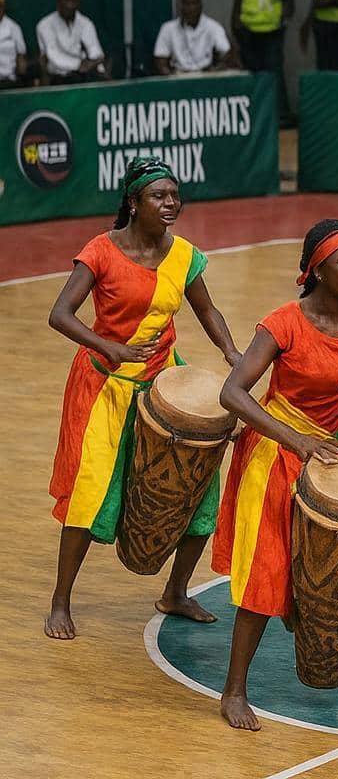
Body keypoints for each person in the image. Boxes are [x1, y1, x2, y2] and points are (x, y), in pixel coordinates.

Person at [213, 219, 338, 731]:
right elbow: (233, 393)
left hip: (331, 452)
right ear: (318, 271)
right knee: (268, 571)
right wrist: (297, 441)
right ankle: (234, 690)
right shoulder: (283, 323)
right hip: (275, 449)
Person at [45, 157, 243, 640]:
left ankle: (176, 592)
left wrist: (233, 352)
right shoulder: (101, 250)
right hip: (104, 387)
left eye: (175, 195)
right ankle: (60, 601)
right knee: (89, 494)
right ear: (134, 203)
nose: (171, 203)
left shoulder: (184, 255)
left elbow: (207, 309)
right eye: (159, 196)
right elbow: (60, 314)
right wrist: (109, 346)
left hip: (162, 384)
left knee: (199, 487)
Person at [230, 0, 293, 108]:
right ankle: (255, 111)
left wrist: (283, 18)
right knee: (253, 74)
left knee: (274, 74)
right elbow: (237, 3)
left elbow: (289, 2)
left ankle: (280, 113)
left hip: (272, 32)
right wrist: (236, 28)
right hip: (249, 33)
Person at [37, 0, 108, 84]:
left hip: (82, 77)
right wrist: (80, 65)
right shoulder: (45, 24)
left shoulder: (85, 23)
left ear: (79, 3)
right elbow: (54, 56)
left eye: (74, 1)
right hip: (56, 79)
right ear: (58, 0)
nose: (69, 5)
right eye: (66, 0)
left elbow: (95, 51)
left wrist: (97, 65)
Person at [153, 0, 234, 75]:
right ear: (181, 7)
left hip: (205, 75)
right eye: (186, 4)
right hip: (178, 75)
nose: (191, 8)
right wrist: (170, 77)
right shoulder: (168, 28)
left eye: (194, 4)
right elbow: (160, 59)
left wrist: (216, 70)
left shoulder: (213, 26)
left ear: (200, 6)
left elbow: (227, 52)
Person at [0, 0, 32, 88]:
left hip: (9, 81)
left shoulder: (13, 27)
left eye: (0, 6)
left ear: (4, 7)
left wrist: (21, 71)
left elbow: (21, 55)